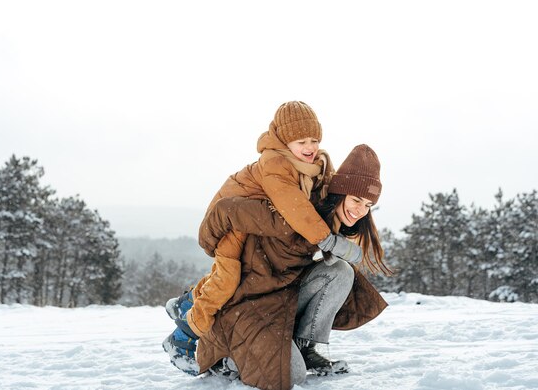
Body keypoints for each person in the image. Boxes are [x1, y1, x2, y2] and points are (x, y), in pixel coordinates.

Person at [163, 144, 392, 390]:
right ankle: (227, 358)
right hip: (248, 303)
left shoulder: (329, 224)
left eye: (368, 205)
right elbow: (226, 209)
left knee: (340, 271)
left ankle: (305, 348)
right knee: (291, 376)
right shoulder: (295, 209)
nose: (360, 210)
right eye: (356, 200)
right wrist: (208, 242)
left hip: (282, 298)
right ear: (340, 192)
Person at [166, 101, 362, 340]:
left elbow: (322, 190)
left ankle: (186, 302)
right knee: (227, 280)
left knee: (228, 277)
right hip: (233, 226)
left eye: (314, 140)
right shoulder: (275, 163)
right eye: (301, 142)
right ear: (284, 142)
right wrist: (329, 241)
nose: (310, 147)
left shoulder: (310, 164)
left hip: (252, 223)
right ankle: (184, 336)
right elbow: (295, 207)